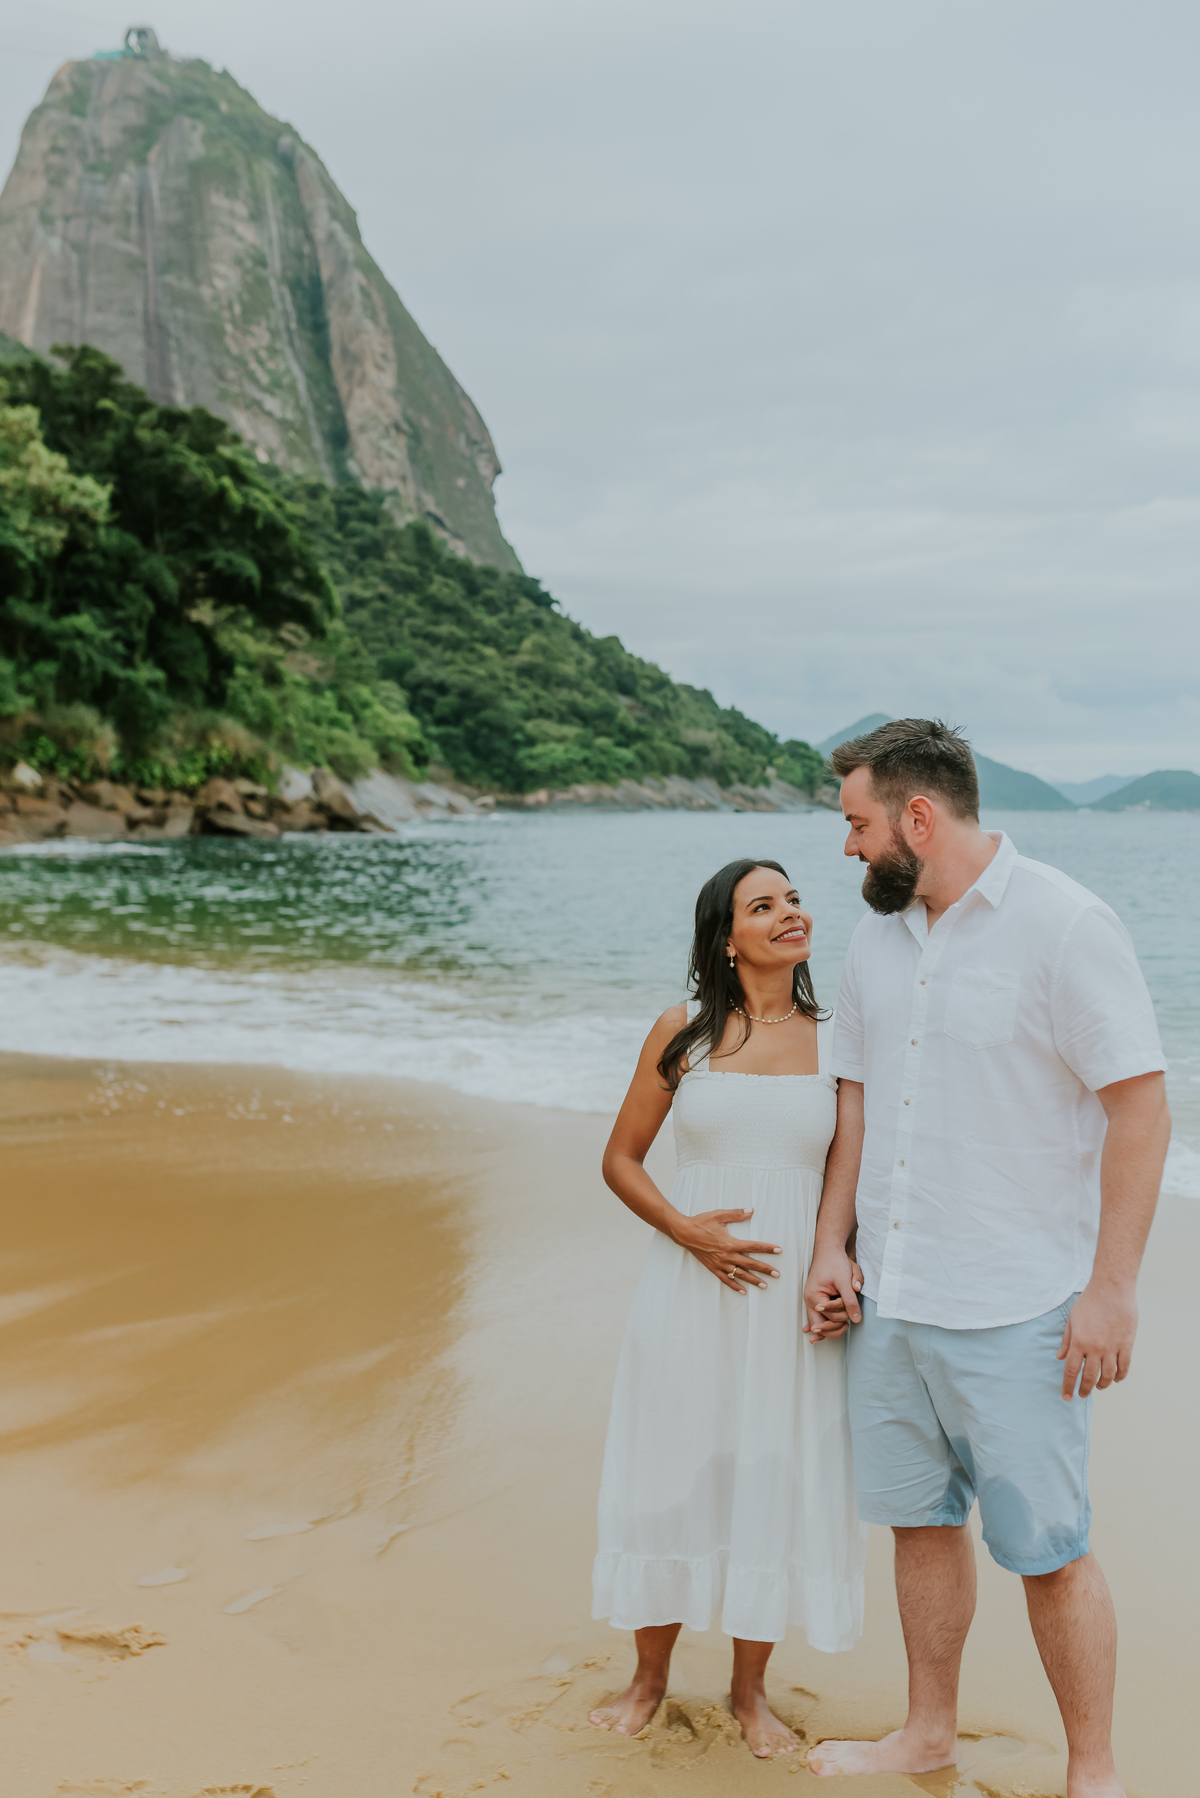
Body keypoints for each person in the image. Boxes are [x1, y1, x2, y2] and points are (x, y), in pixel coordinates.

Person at [802, 719, 1171, 1796]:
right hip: (892, 1299)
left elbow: (1141, 1110)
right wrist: (831, 1246)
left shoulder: (1066, 924)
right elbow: (855, 1104)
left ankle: (1093, 1772)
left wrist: (1112, 1289)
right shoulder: (876, 938)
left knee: (1049, 1551)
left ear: (918, 816)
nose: (848, 845)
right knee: (920, 1526)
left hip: (1020, 1307)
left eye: (858, 823)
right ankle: (928, 1733)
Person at [589, 858, 868, 1757]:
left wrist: (837, 1265)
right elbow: (621, 1158)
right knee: (670, 1466)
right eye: (764, 905)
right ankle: (648, 1679)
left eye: (794, 899)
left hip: (789, 1298)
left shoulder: (841, 1039)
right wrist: (685, 1228)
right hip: (689, 1286)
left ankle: (751, 1693)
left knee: (771, 1473)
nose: (790, 913)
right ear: (727, 939)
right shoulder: (683, 1030)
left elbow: (848, 1176)